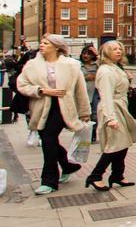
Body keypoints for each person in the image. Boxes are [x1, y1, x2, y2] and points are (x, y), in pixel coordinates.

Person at [16, 34, 91, 195]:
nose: (41, 45)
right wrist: (41, 90)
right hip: (41, 107)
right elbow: (22, 84)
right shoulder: (32, 65)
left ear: (57, 46)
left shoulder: (72, 65)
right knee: (48, 140)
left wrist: (85, 112)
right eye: (41, 43)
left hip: (62, 107)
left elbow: (80, 90)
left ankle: (49, 180)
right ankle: (68, 165)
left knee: (49, 139)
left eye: (46, 43)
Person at [83, 40, 136, 191]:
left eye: (120, 48)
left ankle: (117, 175)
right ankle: (95, 176)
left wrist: (127, 79)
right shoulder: (106, 71)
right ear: (106, 52)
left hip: (120, 107)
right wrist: (110, 118)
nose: (119, 51)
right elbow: (106, 95)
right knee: (114, 145)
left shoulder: (115, 68)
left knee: (123, 143)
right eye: (114, 49)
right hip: (112, 108)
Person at [80, 45, 100, 143]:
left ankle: (93, 134)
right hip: (83, 94)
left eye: (88, 54)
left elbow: (106, 65)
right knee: (84, 115)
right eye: (84, 53)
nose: (86, 56)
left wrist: (97, 54)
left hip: (94, 93)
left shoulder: (96, 65)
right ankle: (84, 134)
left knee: (95, 115)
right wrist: (85, 77)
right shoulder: (78, 65)